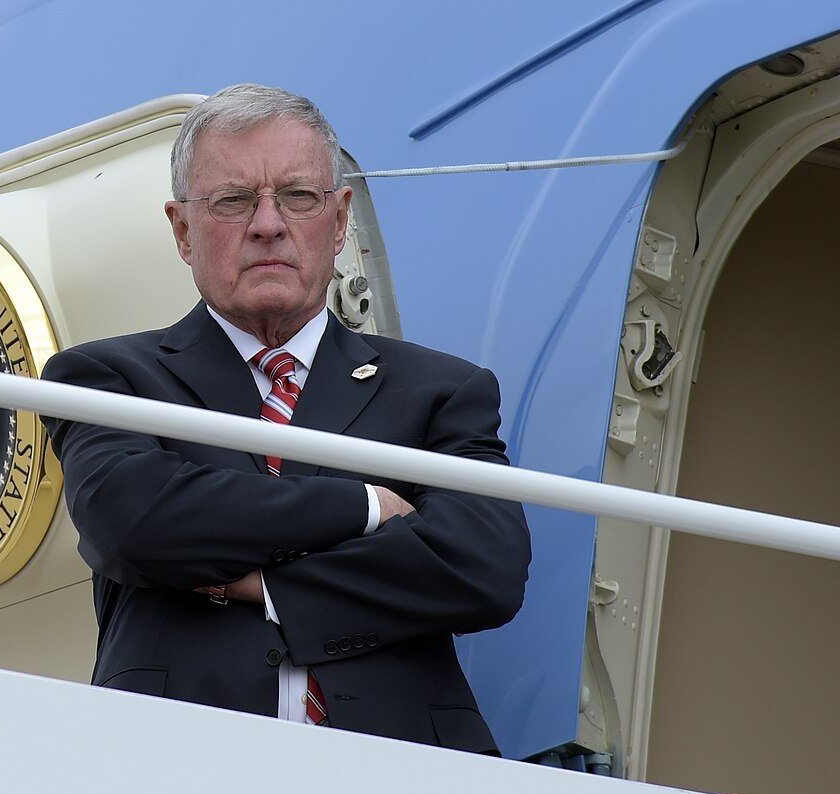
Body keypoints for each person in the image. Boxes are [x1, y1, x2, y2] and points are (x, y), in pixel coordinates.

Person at [39, 83, 531, 752]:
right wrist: (364, 509)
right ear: (182, 229)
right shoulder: (106, 378)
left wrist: (266, 585)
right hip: (168, 768)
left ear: (337, 221)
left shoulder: (442, 390)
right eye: (232, 200)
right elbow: (134, 522)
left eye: (296, 197)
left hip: (408, 773)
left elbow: (483, 565)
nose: (266, 223)